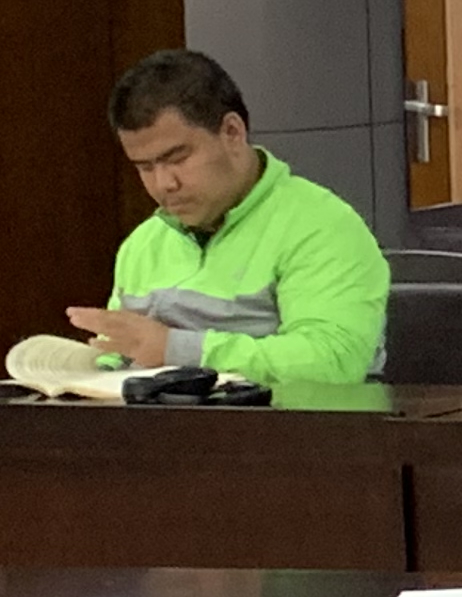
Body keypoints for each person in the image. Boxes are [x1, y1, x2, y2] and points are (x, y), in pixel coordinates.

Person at [63, 50, 388, 388]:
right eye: (145, 167)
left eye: (178, 158)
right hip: (157, 419)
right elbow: (117, 354)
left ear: (233, 132)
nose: (163, 184)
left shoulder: (322, 226)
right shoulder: (143, 244)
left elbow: (334, 362)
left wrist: (177, 349)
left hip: (279, 420)